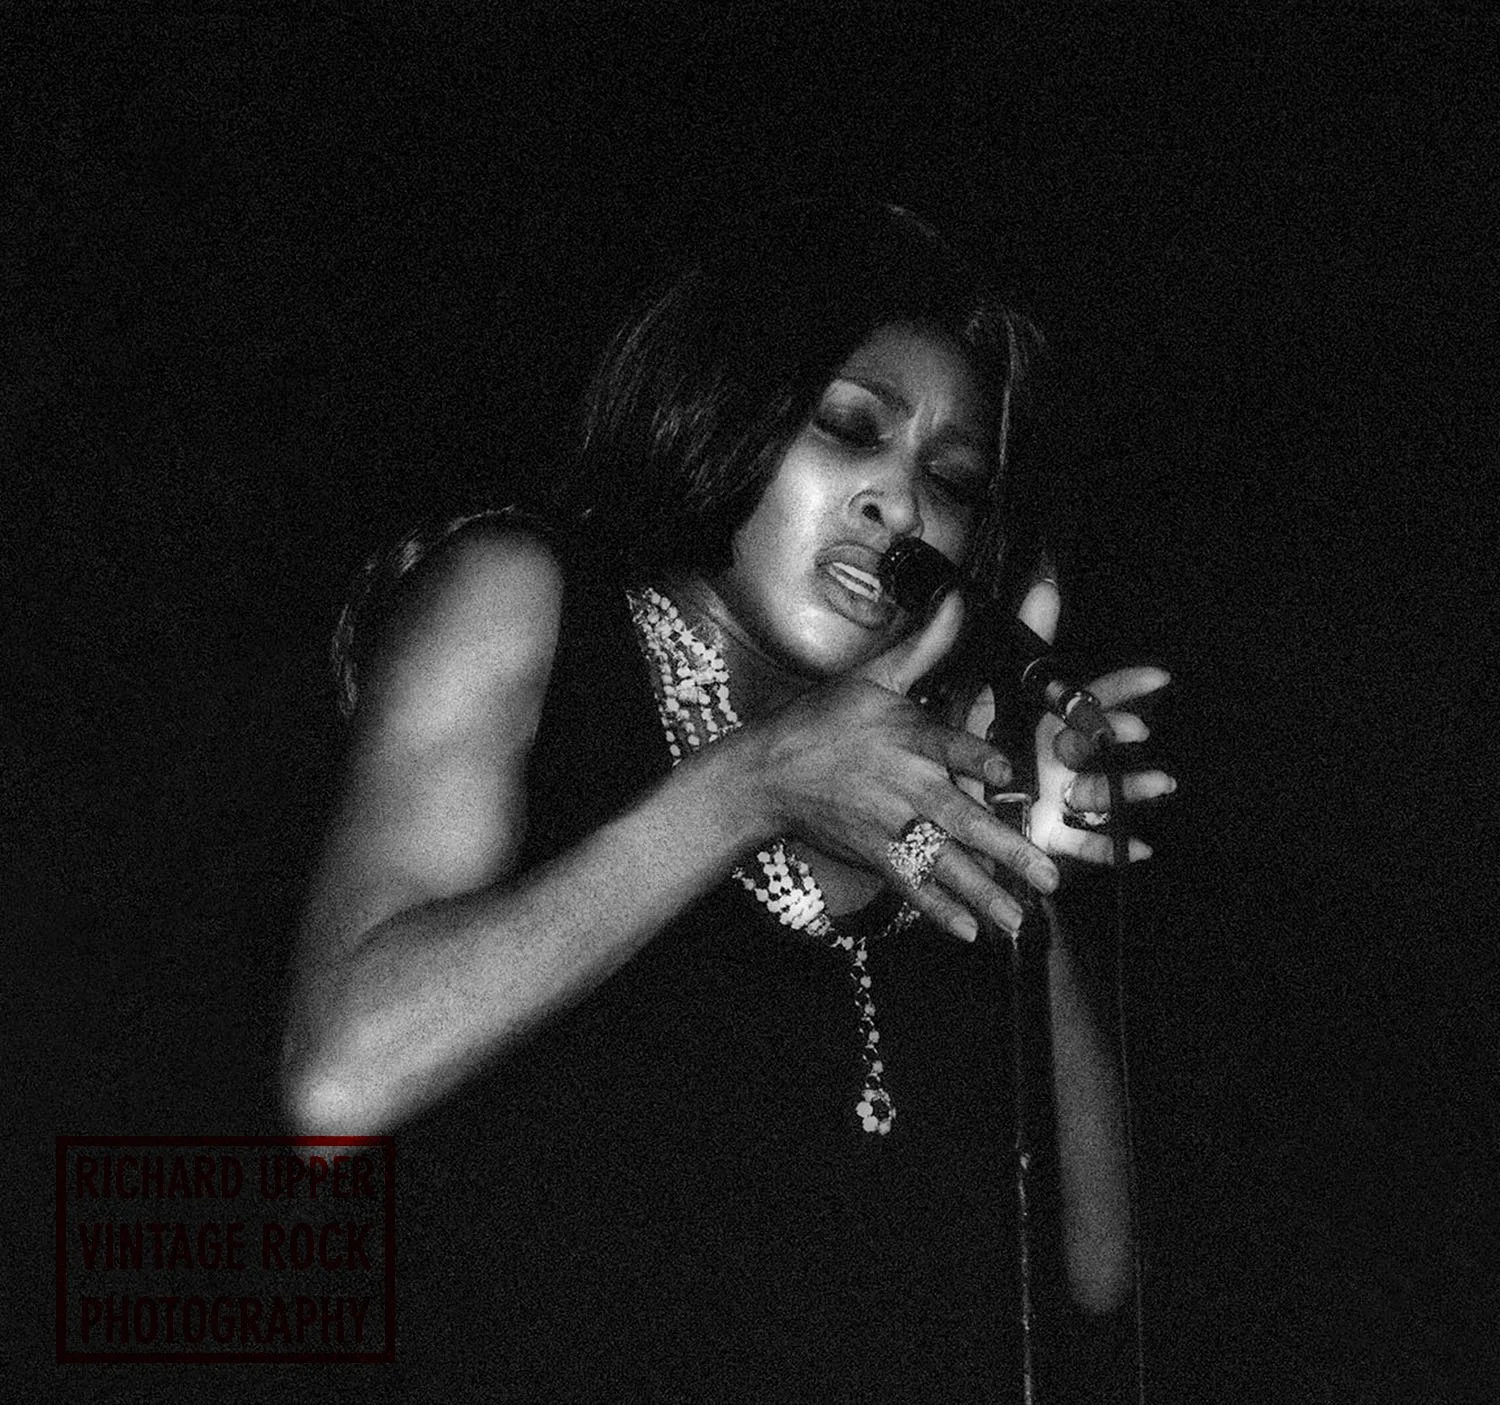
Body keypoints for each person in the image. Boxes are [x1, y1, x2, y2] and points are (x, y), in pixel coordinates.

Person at [282, 199, 1174, 1400]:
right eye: (850, 429)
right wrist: (749, 788)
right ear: (721, 411)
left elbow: (1098, 1268)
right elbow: (340, 1078)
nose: (899, 505)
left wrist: (1028, 871)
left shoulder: (928, 768)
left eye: (951, 481)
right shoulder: (524, 599)